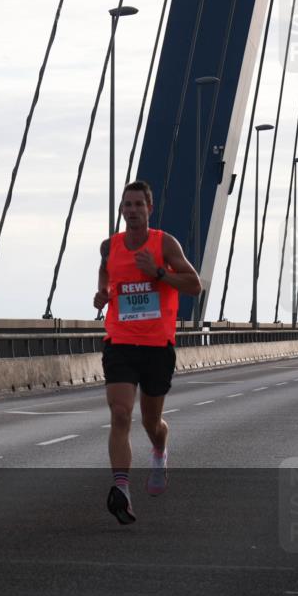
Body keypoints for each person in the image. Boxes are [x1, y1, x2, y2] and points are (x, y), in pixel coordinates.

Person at [93, 181, 202, 524]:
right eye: (127, 204)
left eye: (139, 204)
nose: (133, 210)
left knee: (150, 421)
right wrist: (101, 294)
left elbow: (194, 284)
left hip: (157, 346)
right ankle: (121, 490)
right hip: (120, 342)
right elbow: (105, 273)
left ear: (149, 209)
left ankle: (159, 448)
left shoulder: (164, 243)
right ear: (122, 210)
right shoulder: (109, 246)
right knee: (121, 413)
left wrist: (158, 273)